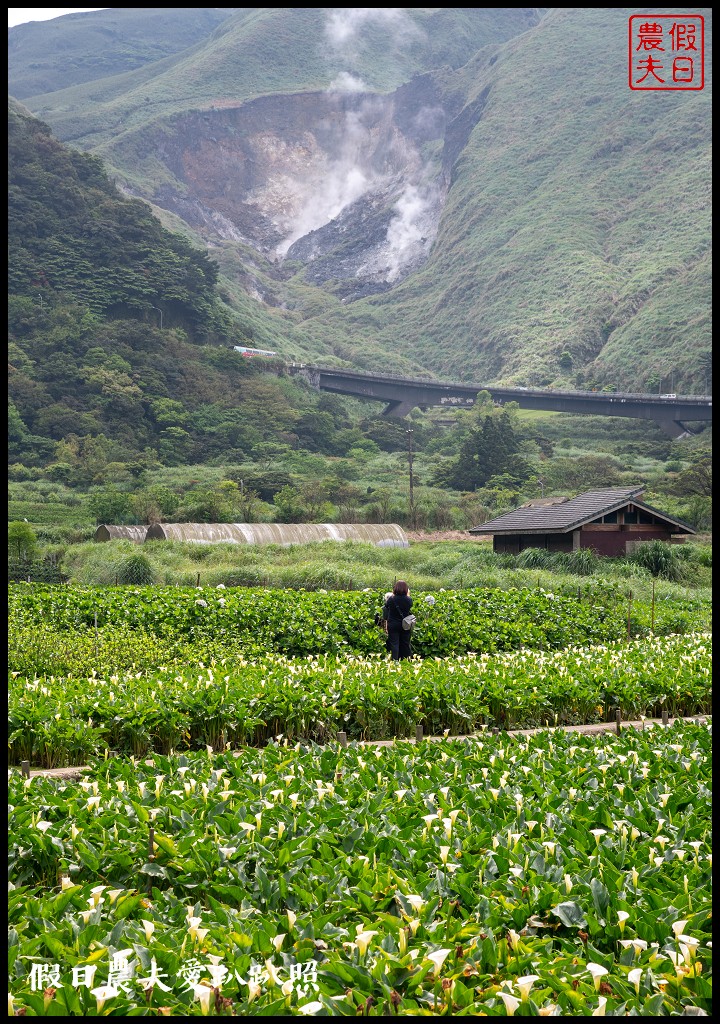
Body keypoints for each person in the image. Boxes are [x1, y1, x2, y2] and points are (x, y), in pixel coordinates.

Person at [383, 580, 413, 661]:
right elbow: (410, 605)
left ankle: (395, 661)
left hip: (393, 624)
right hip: (405, 624)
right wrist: (408, 595)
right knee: (405, 643)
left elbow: (386, 606)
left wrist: (393, 594)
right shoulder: (408, 599)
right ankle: (406, 660)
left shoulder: (391, 599)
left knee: (394, 644)